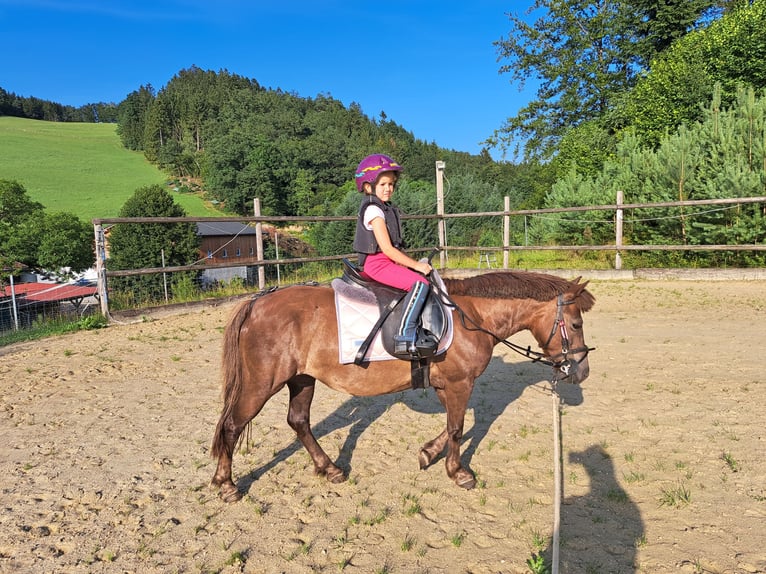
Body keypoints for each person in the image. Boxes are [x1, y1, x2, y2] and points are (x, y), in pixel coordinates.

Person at [352, 153, 434, 356]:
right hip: (378, 264)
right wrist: (416, 265)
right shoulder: (374, 211)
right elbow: (387, 249)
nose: (389, 188)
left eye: (391, 184)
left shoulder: (384, 208)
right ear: (368, 186)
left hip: (385, 261)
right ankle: (405, 334)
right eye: (383, 184)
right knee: (420, 283)